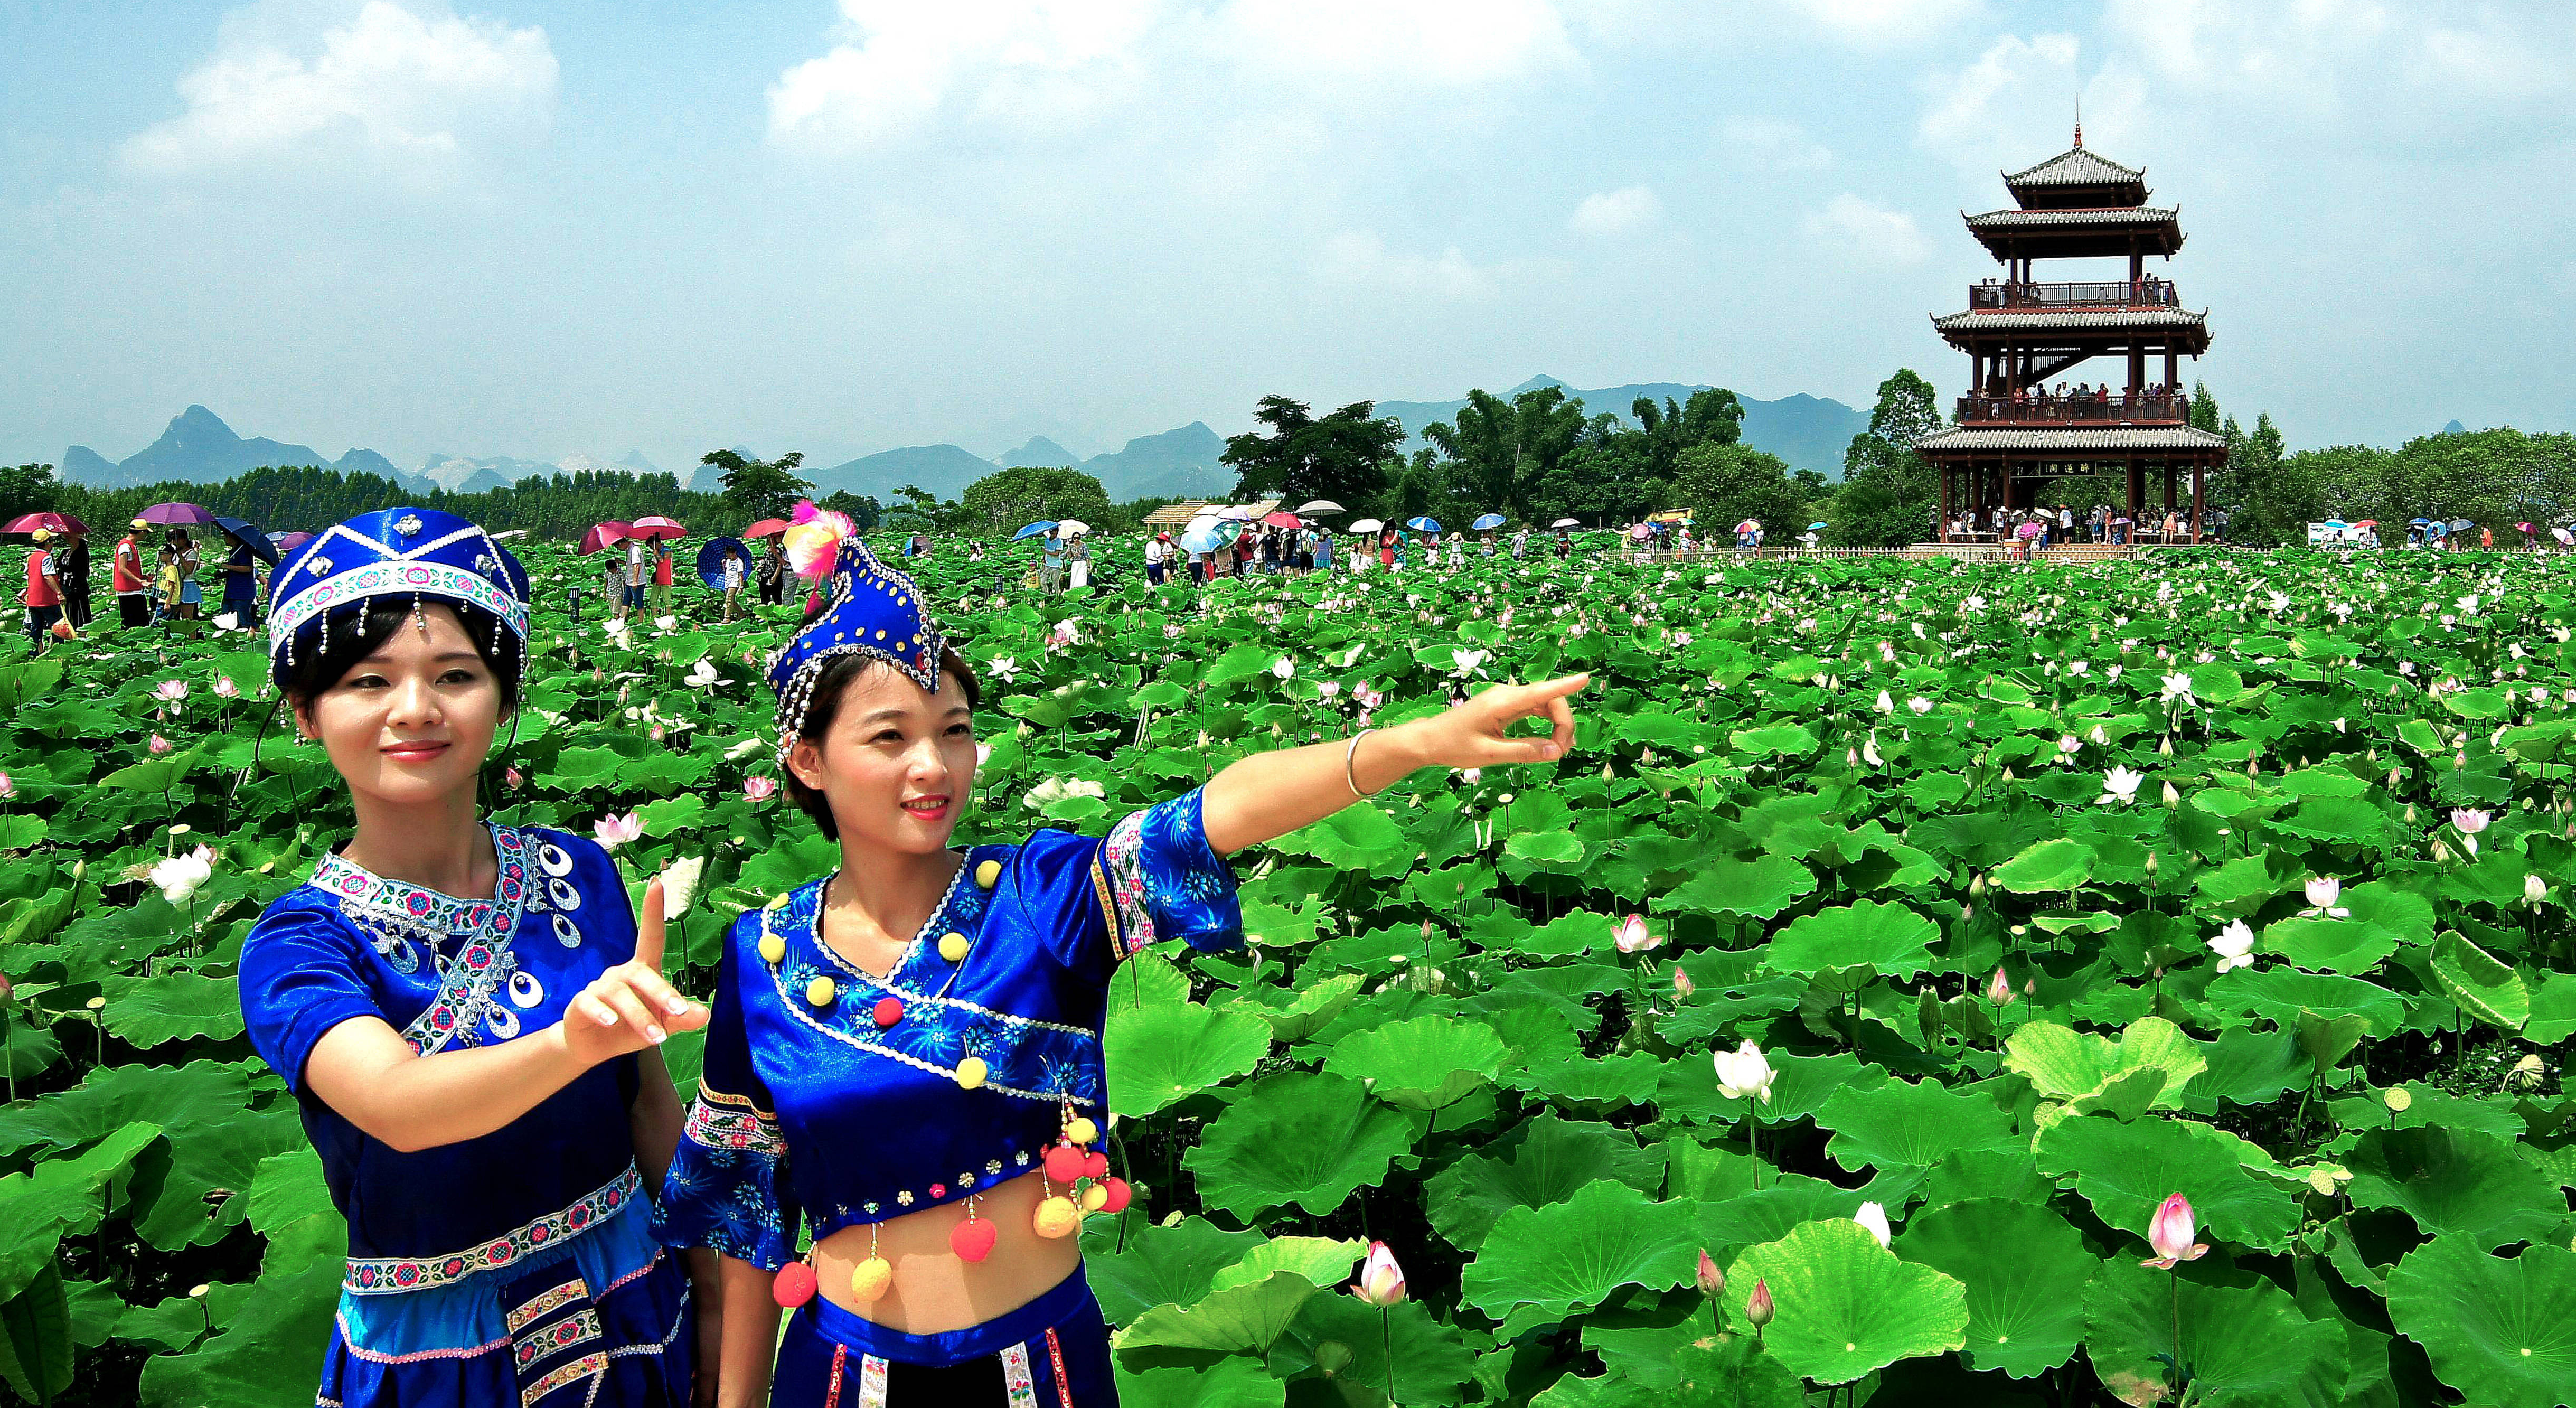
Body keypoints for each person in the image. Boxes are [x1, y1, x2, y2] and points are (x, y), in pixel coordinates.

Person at [655, 518, 1584, 1407]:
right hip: (841, 1375)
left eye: (955, 729)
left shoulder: (1039, 898)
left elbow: (1216, 813)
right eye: (890, 737)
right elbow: (742, 1220)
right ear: (808, 761)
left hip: (1041, 1366)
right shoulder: (761, 956)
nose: (933, 766)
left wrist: (1413, 744)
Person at [236, 509, 704, 1408]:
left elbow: (647, 1099)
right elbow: (398, 1107)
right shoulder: (301, 945)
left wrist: (715, 1280)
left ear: (502, 695)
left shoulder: (579, 870)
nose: (416, 709)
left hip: (639, 1302)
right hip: (442, 1360)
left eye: (456, 675)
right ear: (305, 713)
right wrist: (574, 1043)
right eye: (368, 681)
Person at [21, 528, 67, 650]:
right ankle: (58, 653)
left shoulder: (32, 557)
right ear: (47, 543)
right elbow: (48, 576)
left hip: (33, 600)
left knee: (36, 630)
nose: (53, 544)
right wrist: (59, 593)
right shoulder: (46, 557)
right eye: (52, 541)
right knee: (58, 627)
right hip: (47, 600)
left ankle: (36, 653)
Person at [113, 522, 153, 628]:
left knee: (141, 622)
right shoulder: (125, 547)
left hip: (133, 590)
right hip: (129, 592)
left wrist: (142, 576)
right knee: (135, 624)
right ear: (141, 532)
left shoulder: (131, 546)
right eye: (146, 533)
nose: (146, 535)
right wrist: (140, 581)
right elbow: (122, 568)